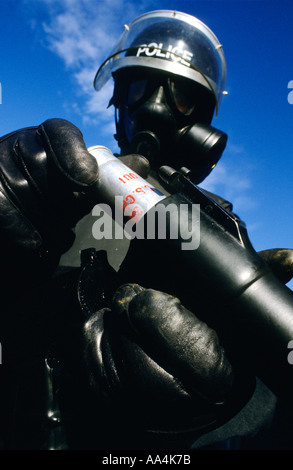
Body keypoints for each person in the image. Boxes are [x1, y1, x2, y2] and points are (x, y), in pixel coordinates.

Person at [0, 9, 292, 451]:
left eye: (180, 97)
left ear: (204, 125)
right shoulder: (53, 199)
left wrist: (198, 419)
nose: (153, 107)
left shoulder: (227, 237)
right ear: (119, 102)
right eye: (139, 87)